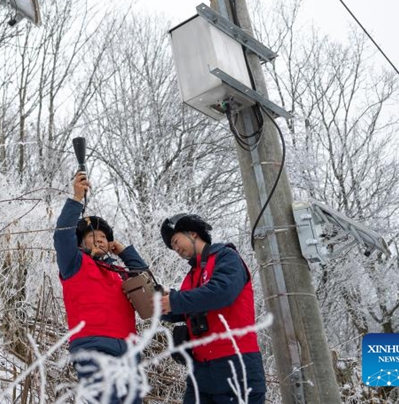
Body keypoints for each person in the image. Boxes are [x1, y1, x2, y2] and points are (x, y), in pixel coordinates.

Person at [55, 171, 149, 404]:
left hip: (128, 350)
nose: (100, 240)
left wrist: (124, 251)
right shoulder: (74, 263)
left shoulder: (118, 272)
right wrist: (76, 198)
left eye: (104, 237)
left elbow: (144, 278)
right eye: (92, 236)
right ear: (80, 242)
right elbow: (61, 237)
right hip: (93, 345)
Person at [159, 213, 267, 404]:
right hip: (201, 370)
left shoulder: (226, 256)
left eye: (176, 241)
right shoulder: (191, 275)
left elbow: (222, 291)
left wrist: (175, 300)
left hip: (236, 363)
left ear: (193, 234)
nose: (176, 249)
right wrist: (158, 305)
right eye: (172, 247)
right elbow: (184, 308)